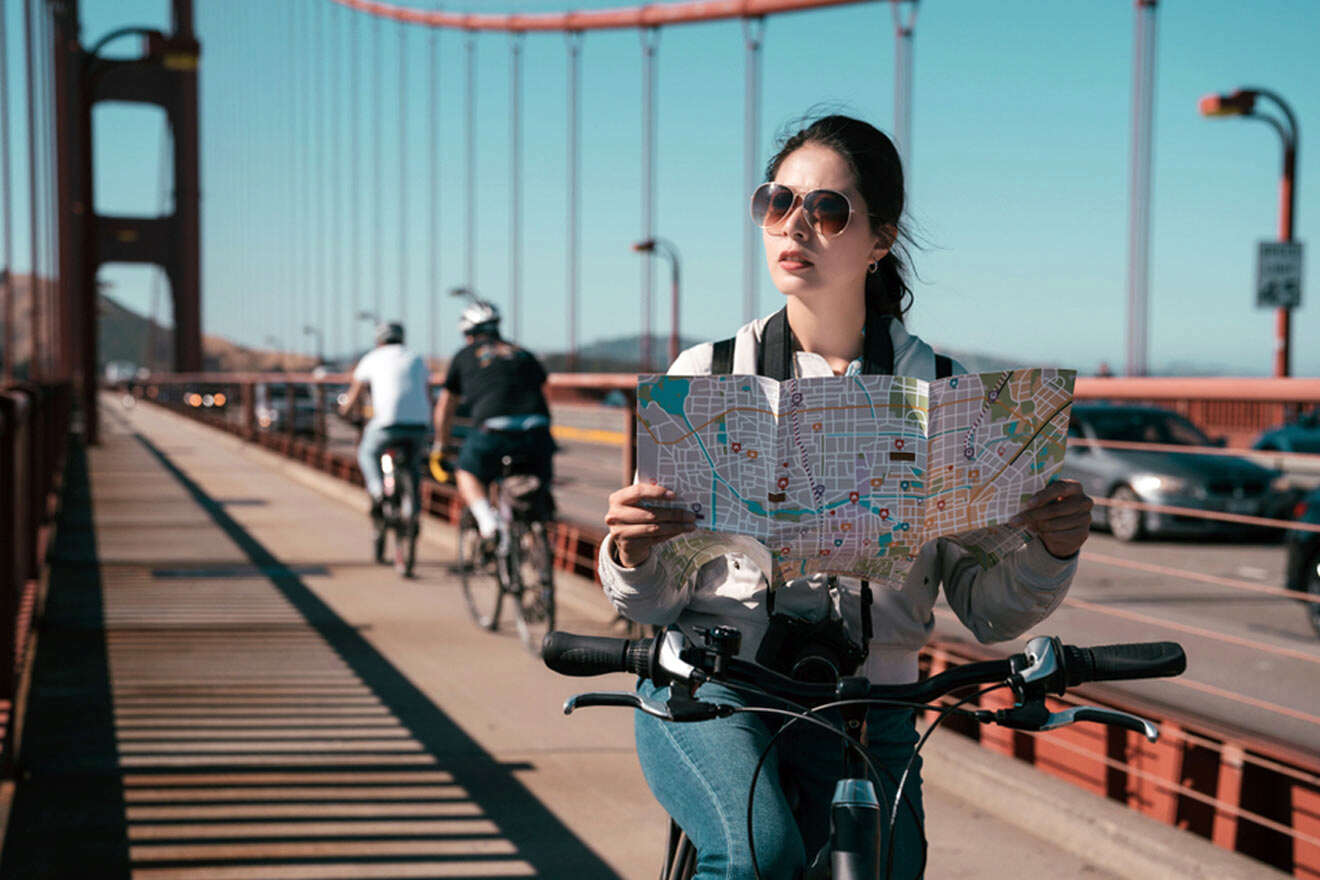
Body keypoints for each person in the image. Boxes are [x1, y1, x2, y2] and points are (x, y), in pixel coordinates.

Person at [598, 114, 1095, 879]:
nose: (795, 225)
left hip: (872, 704)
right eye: (777, 202)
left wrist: (1053, 550)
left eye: (826, 210)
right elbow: (656, 601)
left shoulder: (947, 393)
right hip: (716, 691)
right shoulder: (705, 374)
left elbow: (991, 611)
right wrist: (631, 552)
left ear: (881, 238)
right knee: (759, 859)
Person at [433, 299, 555, 543]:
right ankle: (534, 538)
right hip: (537, 430)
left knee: (466, 471)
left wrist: (441, 445)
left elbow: (446, 406)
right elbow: (544, 392)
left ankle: (488, 524)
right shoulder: (523, 353)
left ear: (468, 334)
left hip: (493, 431)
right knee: (538, 482)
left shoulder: (464, 356)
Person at [338, 322, 433, 521]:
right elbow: (428, 391)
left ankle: (376, 491)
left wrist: (344, 412)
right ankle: (413, 508)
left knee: (367, 452)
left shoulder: (372, 358)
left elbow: (354, 394)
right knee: (413, 464)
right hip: (419, 424)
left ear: (379, 341)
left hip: (387, 424)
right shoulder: (416, 358)